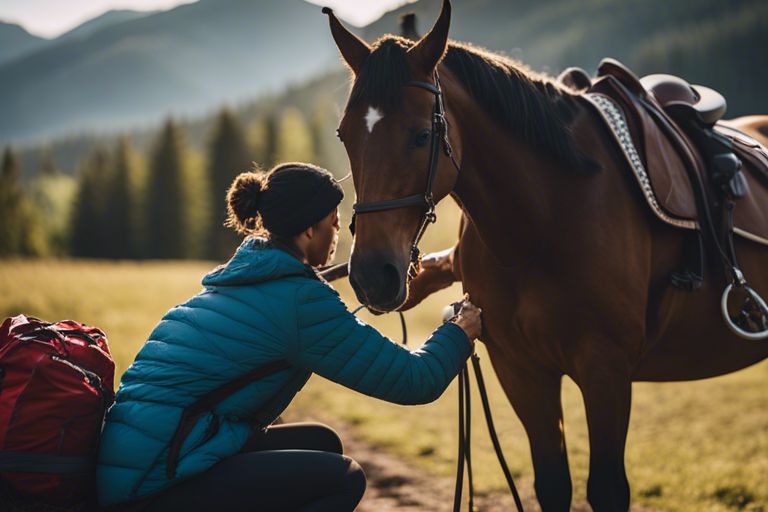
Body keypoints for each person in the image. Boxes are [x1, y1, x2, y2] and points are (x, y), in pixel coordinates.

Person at [96, 162, 482, 512]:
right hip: (151, 486)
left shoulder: (244, 277)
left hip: (137, 466)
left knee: (322, 443)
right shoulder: (300, 303)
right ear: (309, 228)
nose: (338, 234)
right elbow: (415, 380)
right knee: (343, 478)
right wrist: (458, 332)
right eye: (334, 222)